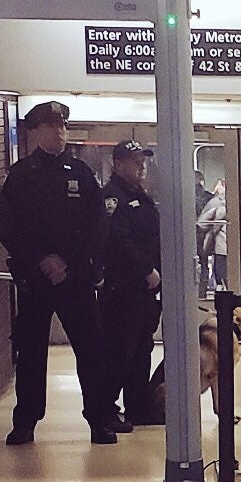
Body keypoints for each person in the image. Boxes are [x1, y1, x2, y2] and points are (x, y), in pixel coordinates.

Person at [0, 100, 114, 445]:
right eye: (51, 126)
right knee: (31, 352)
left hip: (74, 277)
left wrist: (67, 261)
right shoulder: (19, 177)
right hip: (35, 279)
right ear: (35, 132)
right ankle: (26, 421)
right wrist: (42, 260)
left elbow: (97, 225)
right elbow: (9, 228)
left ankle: (99, 419)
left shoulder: (80, 173)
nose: (59, 132)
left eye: (62, 126)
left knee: (90, 350)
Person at [99, 140, 163, 427]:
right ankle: (105, 410)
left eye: (143, 161)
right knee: (118, 351)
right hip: (124, 288)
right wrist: (146, 269)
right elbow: (117, 240)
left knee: (141, 349)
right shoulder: (113, 197)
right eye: (135, 162)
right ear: (118, 163)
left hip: (145, 291)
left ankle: (138, 407)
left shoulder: (139, 195)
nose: (142, 167)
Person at [197, 182, 229, 292]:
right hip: (238, 247)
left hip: (221, 245)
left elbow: (202, 222)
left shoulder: (215, 203)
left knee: (219, 273)